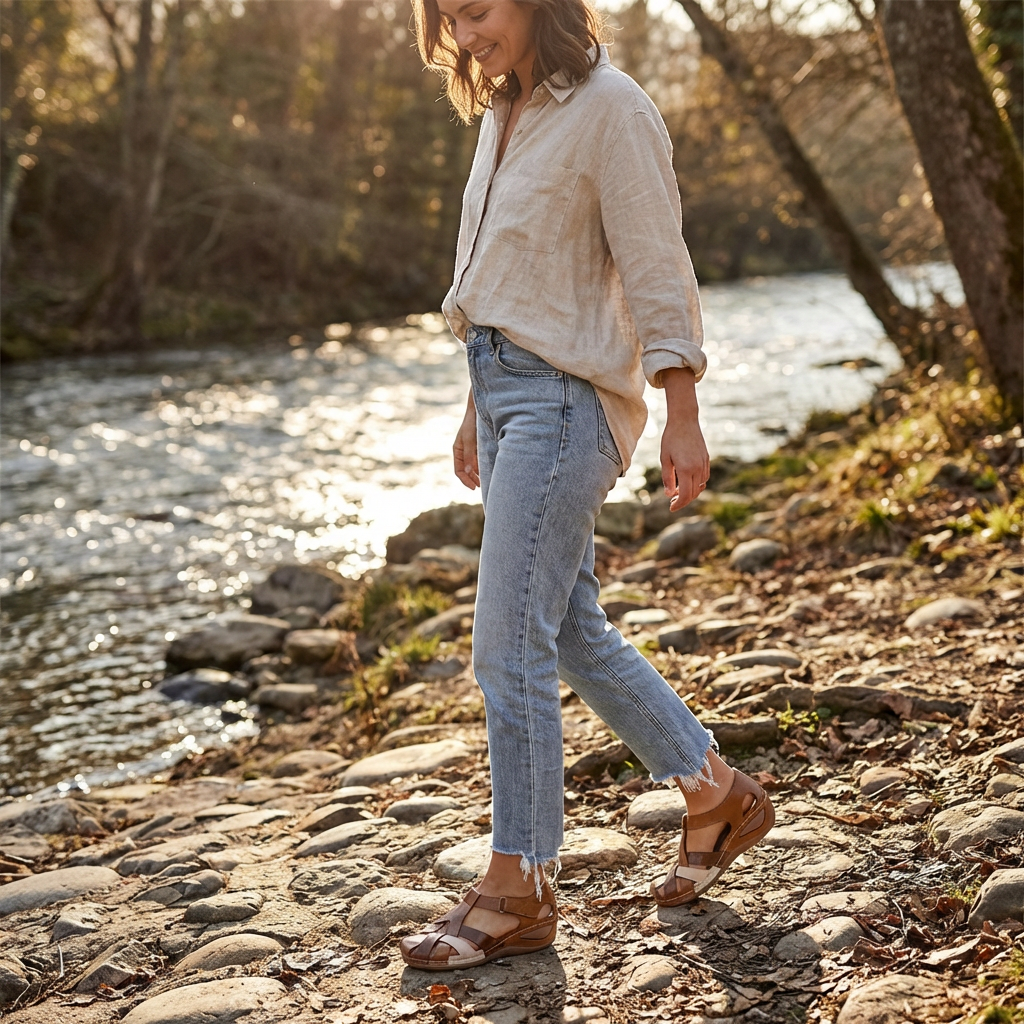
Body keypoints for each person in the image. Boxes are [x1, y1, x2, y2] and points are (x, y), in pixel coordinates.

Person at [399, 0, 775, 971]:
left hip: (568, 406)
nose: (463, 36)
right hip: (509, 394)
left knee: (506, 641)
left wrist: (679, 403)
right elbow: (508, 276)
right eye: (448, 18)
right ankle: (714, 792)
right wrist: (472, 403)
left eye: (476, 12)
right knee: (566, 626)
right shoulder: (501, 113)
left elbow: (656, 260)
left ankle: (517, 880)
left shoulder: (612, 107)